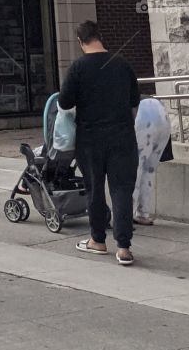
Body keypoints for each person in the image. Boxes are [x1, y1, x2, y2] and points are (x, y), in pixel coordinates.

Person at [58, 20, 140, 266]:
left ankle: (98, 240)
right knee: (122, 189)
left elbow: (64, 102)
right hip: (122, 137)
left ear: (80, 41)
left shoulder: (78, 67)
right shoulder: (123, 64)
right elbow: (134, 103)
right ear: (100, 36)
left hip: (90, 139)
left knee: (94, 188)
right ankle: (124, 248)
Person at [134, 95, 172, 226]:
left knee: (135, 169)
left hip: (141, 113)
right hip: (161, 111)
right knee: (149, 170)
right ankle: (143, 213)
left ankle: (127, 215)